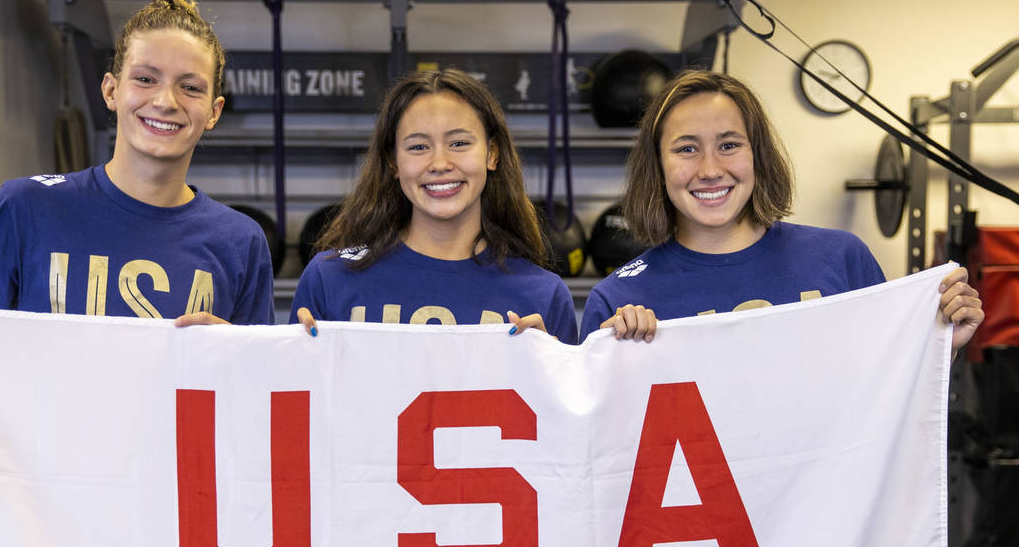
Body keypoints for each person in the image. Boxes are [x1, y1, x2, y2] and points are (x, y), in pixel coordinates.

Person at [0, 0, 273, 384]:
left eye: (191, 87)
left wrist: (243, 356)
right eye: (145, 79)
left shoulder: (240, 241)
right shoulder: (28, 208)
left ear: (214, 111)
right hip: (47, 460)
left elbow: (261, 394)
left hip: (173, 460)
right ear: (111, 91)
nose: (165, 101)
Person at [581, 69, 983, 349]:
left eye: (729, 145)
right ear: (658, 165)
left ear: (758, 155)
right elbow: (605, 450)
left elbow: (887, 395)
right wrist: (617, 358)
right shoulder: (619, 298)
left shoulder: (842, 259)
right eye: (686, 148)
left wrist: (943, 343)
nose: (709, 169)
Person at [291, 68, 577, 345]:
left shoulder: (543, 295)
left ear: (492, 154)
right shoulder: (329, 279)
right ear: (393, 162)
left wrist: (549, 369)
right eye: (418, 147)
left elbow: (563, 395)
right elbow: (293, 390)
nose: (440, 164)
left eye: (459, 143)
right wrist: (299, 358)